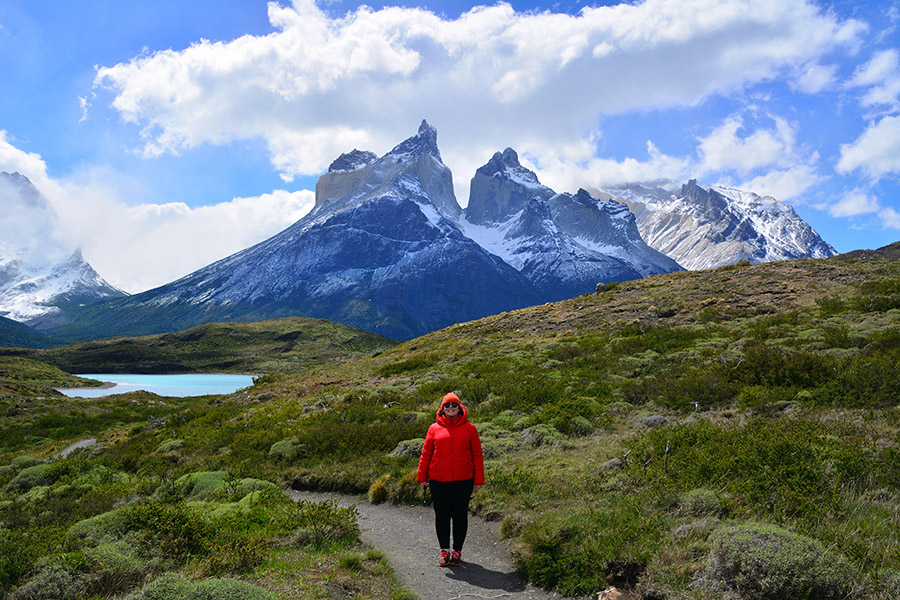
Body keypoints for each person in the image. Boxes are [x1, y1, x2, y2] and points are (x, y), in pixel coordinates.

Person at [417, 392, 485, 567]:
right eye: (447, 405)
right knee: (442, 516)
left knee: (460, 515)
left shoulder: (470, 429)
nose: (451, 408)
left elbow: (477, 455)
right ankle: (444, 551)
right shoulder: (433, 428)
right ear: (442, 408)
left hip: (464, 480)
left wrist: (478, 480)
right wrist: (422, 476)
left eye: (454, 405)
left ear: (459, 407)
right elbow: (426, 454)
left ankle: (457, 552)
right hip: (439, 481)